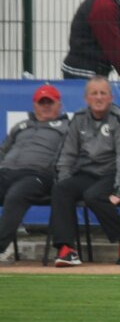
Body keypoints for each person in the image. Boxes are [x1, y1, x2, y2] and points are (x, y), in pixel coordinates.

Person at [51, 75, 120, 268]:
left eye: (103, 93)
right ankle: (67, 250)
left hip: (114, 173)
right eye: (94, 93)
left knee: (93, 196)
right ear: (86, 99)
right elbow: (66, 156)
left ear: (111, 97)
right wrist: (66, 183)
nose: (99, 97)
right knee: (61, 189)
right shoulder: (78, 119)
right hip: (87, 174)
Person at [0, 85, 70, 264]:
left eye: (50, 102)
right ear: (34, 105)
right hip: (6, 171)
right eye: (42, 102)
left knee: (15, 196)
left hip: (37, 175)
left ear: (59, 105)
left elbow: (71, 155)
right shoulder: (21, 126)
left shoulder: (67, 127)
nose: (45, 106)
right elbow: (3, 151)